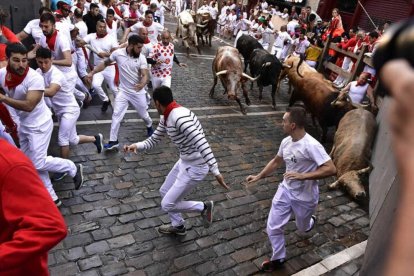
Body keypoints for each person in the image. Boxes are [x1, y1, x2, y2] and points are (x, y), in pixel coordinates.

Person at [124, 85, 229, 235]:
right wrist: (137, 145)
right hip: (184, 161)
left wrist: (216, 171)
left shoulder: (179, 118)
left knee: (167, 204)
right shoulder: (167, 116)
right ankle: (178, 225)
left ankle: (203, 207)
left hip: (196, 167)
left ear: (157, 103)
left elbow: (202, 142)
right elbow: (154, 139)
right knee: (164, 191)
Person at [245, 106, 336, 272]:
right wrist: (259, 176)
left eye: (284, 121)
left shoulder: (312, 145)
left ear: (292, 125)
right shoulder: (286, 142)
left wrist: (303, 176)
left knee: (302, 229)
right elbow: (276, 161)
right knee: (272, 226)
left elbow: (331, 169)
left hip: (305, 197)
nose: (282, 124)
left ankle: (309, 223)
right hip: (285, 190)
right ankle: (278, 258)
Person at [0, 43, 84, 206]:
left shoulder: (34, 78)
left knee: (37, 161)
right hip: (24, 124)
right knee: (28, 161)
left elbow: (29, 105)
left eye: (24, 60)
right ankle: (53, 198)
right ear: (7, 60)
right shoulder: (3, 74)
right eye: (16, 60)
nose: (21, 65)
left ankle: (71, 167)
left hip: (40, 124)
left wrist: (4, 99)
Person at [0, 138, 67, 275]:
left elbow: (50, 226)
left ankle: (70, 168)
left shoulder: (10, 164)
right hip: (26, 129)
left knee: (41, 159)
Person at [35, 47, 103, 177]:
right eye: (39, 62)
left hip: (70, 110)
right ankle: (95, 138)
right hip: (60, 111)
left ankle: (64, 169)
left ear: (51, 60)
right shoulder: (38, 72)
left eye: (46, 62)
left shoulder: (57, 74)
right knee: (73, 140)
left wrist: (33, 89)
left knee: (63, 139)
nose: (43, 65)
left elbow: (51, 91)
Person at [87, 35, 154, 150]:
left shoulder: (141, 57)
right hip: (123, 91)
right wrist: (92, 73)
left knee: (144, 115)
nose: (140, 50)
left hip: (137, 92)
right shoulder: (118, 53)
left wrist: (142, 84)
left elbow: (144, 75)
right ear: (131, 45)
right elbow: (105, 63)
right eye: (138, 47)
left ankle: (149, 125)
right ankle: (113, 140)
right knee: (116, 115)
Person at [80, 19, 119, 112]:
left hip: (110, 66)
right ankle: (106, 100)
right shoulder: (91, 36)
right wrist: (78, 40)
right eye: (100, 27)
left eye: (104, 27)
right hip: (97, 68)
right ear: (96, 27)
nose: (102, 29)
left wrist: (105, 54)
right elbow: (81, 42)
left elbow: (115, 52)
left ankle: (119, 107)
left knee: (114, 89)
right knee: (95, 85)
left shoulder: (111, 38)